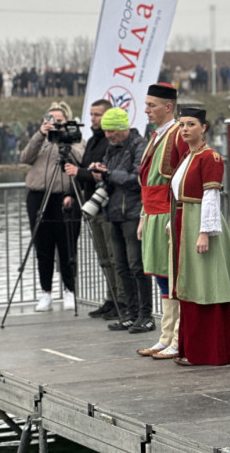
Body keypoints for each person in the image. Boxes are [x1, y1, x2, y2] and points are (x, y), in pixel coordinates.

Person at [167, 108, 230, 366]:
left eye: (190, 124)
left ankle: (206, 352)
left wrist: (204, 232)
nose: (185, 129)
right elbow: (178, 195)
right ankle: (191, 348)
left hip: (199, 224)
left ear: (204, 127)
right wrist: (172, 222)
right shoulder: (186, 157)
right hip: (184, 222)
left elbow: (211, 197)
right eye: (181, 125)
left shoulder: (210, 157)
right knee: (189, 284)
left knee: (204, 286)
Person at [135, 83, 189, 359]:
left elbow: (183, 177)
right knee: (159, 274)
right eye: (146, 104)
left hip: (168, 212)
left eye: (151, 105)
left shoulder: (178, 133)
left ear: (168, 106)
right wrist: (144, 216)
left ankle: (177, 338)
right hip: (152, 212)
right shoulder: (156, 135)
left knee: (172, 277)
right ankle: (166, 335)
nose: (146, 110)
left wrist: (176, 215)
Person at [90, 108, 151, 333]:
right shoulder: (111, 147)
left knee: (137, 266)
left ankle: (146, 315)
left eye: (111, 131)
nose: (108, 135)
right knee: (121, 266)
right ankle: (129, 313)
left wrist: (107, 175)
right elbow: (112, 174)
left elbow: (138, 178)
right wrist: (101, 172)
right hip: (113, 213)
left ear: (123, 127)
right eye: (106, 131)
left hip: (133, 213)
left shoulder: (139, 145)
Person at [20, 101, 84, 312]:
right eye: (50, 120)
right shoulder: (41, 141)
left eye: (59, 121)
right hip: (38, 197)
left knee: (67, 246)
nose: (54, 125)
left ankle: (69, 290)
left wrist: (66, 139)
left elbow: (82, 161)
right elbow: (25, 158)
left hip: (65, 197)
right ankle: (45, 292)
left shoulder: (74, 140)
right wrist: (41, 134)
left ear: (67, 121)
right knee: (43, 247)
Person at [63, 99, 121, 319]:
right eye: (92, 114)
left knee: (114, 256)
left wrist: (78, 173)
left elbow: (102, 174)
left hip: (107, 204)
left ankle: (120, 301)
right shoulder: (92, 142)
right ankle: (110, 298)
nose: (93, 119)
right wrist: (71, 192)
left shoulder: (109, 142)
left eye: (97, 114)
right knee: (103, 258)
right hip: (91, 205)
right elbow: (85, 170)